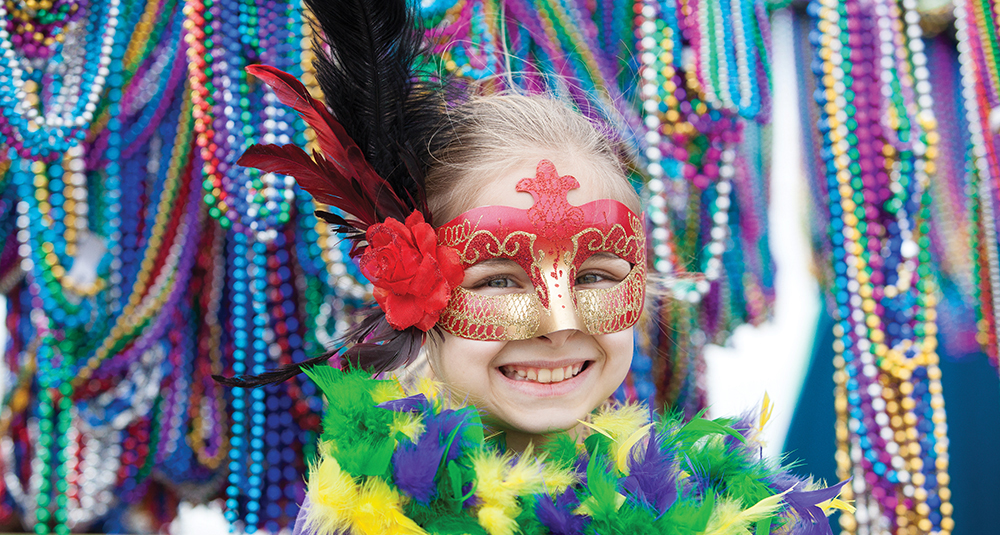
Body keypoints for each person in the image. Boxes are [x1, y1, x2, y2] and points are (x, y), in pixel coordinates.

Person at [223, 1, 850, 533]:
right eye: (498, 278)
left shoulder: (722, 510)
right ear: (407, 292)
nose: (560, 320)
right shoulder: (359, 514)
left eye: (595, 274)